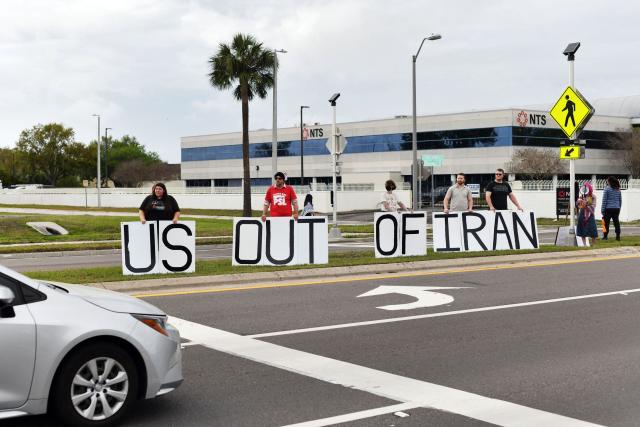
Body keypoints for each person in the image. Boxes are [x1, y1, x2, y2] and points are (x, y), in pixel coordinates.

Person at [576, 182, 598, 246]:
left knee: (592, 230)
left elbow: (593, 207)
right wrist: (579, 202)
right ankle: (584, 245)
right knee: (583, 230)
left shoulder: (593, 197)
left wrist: (587, 205)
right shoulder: (581, 196)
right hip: (582, 214)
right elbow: (578, 205)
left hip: (590, 215)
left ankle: (594, 245)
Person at [601, 176, 622, 241]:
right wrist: (619, 208)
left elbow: (604, 200)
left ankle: (605, 236)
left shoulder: (607, 189)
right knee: (616, 223)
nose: (607, 182)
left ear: (610, 181)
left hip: (608, 208)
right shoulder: (618, 189)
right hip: (616, 208)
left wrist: (602, 210)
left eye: (607, 181)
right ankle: (618, 236)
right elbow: (620, 200)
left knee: (605, 223)